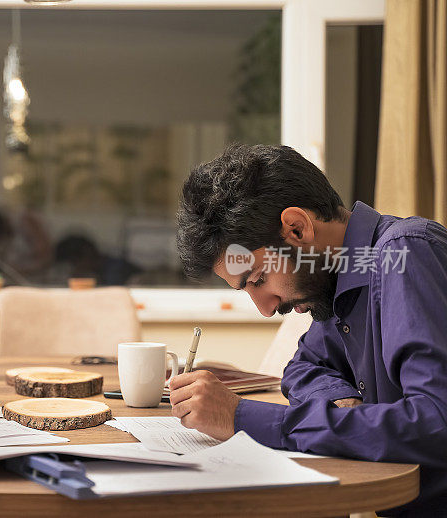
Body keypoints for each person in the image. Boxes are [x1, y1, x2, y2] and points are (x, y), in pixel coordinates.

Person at [171, 144, 447, 516]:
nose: (266, 308)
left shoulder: (402, 255)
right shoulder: (340, 279)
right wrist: (337, 399)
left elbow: (437, 423)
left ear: (297, 228)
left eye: (258, 278)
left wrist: (241, 418)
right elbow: (303, 367)